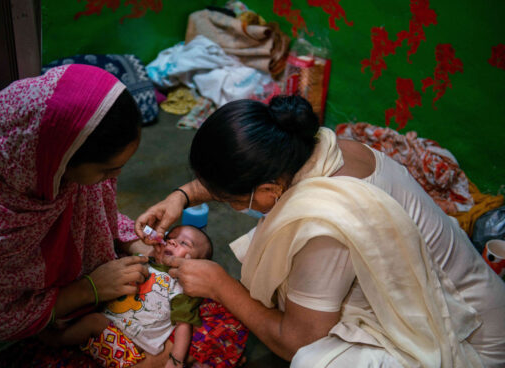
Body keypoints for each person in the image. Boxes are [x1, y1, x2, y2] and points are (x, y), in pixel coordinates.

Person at [136, 95, 505, 367]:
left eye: (232, 200)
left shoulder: (325, 225)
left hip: (469, 340)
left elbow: (297, 342)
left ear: (267, 188)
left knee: (313, 361)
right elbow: (244, 180)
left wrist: (221, 285)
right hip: (478, 298)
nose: (230, 206)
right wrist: (182, 195)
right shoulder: (326, 150)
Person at [0, 64, 163, 367]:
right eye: (108, 170)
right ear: (58, 162)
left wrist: (136, 243)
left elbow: (97, 215)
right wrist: (88, 290)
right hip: (26, 330)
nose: (115, 177)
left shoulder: (54, 170)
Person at [42, 225, 213, 368]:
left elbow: (184, 326)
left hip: (131, 350)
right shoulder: (144, 262)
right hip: (109, 332)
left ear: (194, 263)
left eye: (184, 243)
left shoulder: (179, 287)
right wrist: (154, 251)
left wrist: (176, 360)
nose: (172, 241)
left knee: (93, 321)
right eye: (170, 237)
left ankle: (56, 340)